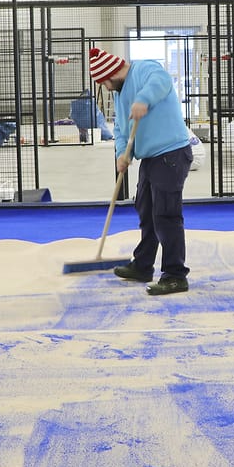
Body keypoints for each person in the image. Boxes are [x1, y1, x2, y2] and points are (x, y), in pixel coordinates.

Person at [88, 46, 193, 296]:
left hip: (171, 153)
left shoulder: (144, 69)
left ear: (109, 75)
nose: (104, 87)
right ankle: (143, 265)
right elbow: (122, 131)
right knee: (146, 210)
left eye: (103, 82)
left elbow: (162, 81)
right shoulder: (118, 95)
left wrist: (144, 99)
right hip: (150, 158)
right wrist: (122, 155)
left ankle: (175, 275)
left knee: (166, 215)